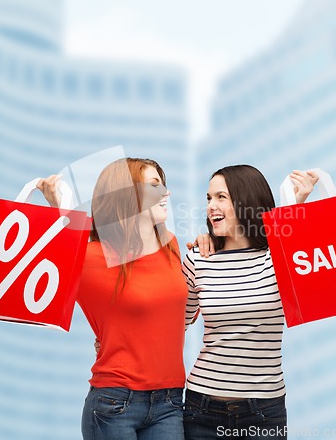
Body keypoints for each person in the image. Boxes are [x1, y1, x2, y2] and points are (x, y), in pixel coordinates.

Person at [37, 158, 188, 440]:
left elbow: (179, 315)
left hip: (170, 401)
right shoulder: (90, 256)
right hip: (115, 403)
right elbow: (54, 254)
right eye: (154, 186)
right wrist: (59, 206)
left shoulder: (172, 246)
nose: (166, 192)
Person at [182, 166, 318, 440]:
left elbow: (324, 275)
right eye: (208, 198)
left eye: (221, 197)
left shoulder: (280, 257)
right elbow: (171, 324)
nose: (211, 206)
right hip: (201, 408)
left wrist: (297, 204)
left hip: (264, 412)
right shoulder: (198, 258)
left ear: (246, 201)